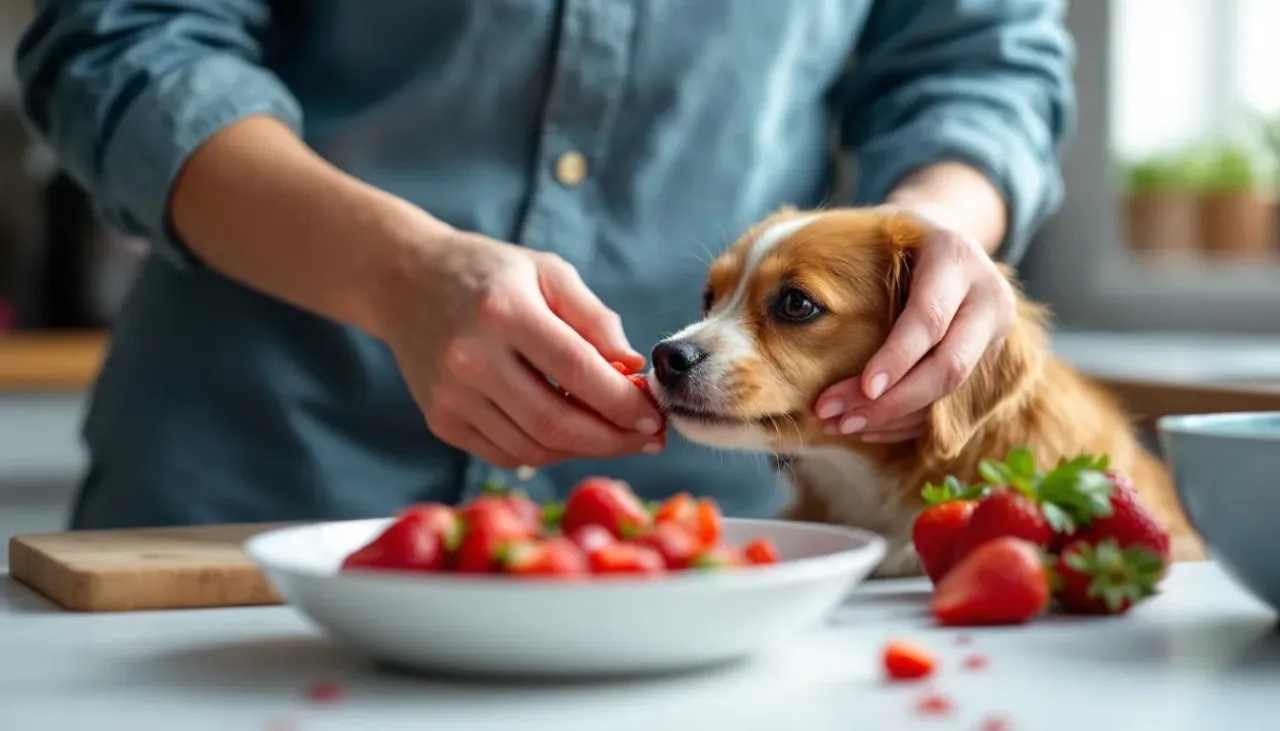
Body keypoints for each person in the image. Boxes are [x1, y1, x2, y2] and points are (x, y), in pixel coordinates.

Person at [15, 0, 1074, 529]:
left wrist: (924, 233)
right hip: (257, 485)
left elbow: (977, 62)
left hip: (712, 539)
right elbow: (120, 41)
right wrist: (396, 271)